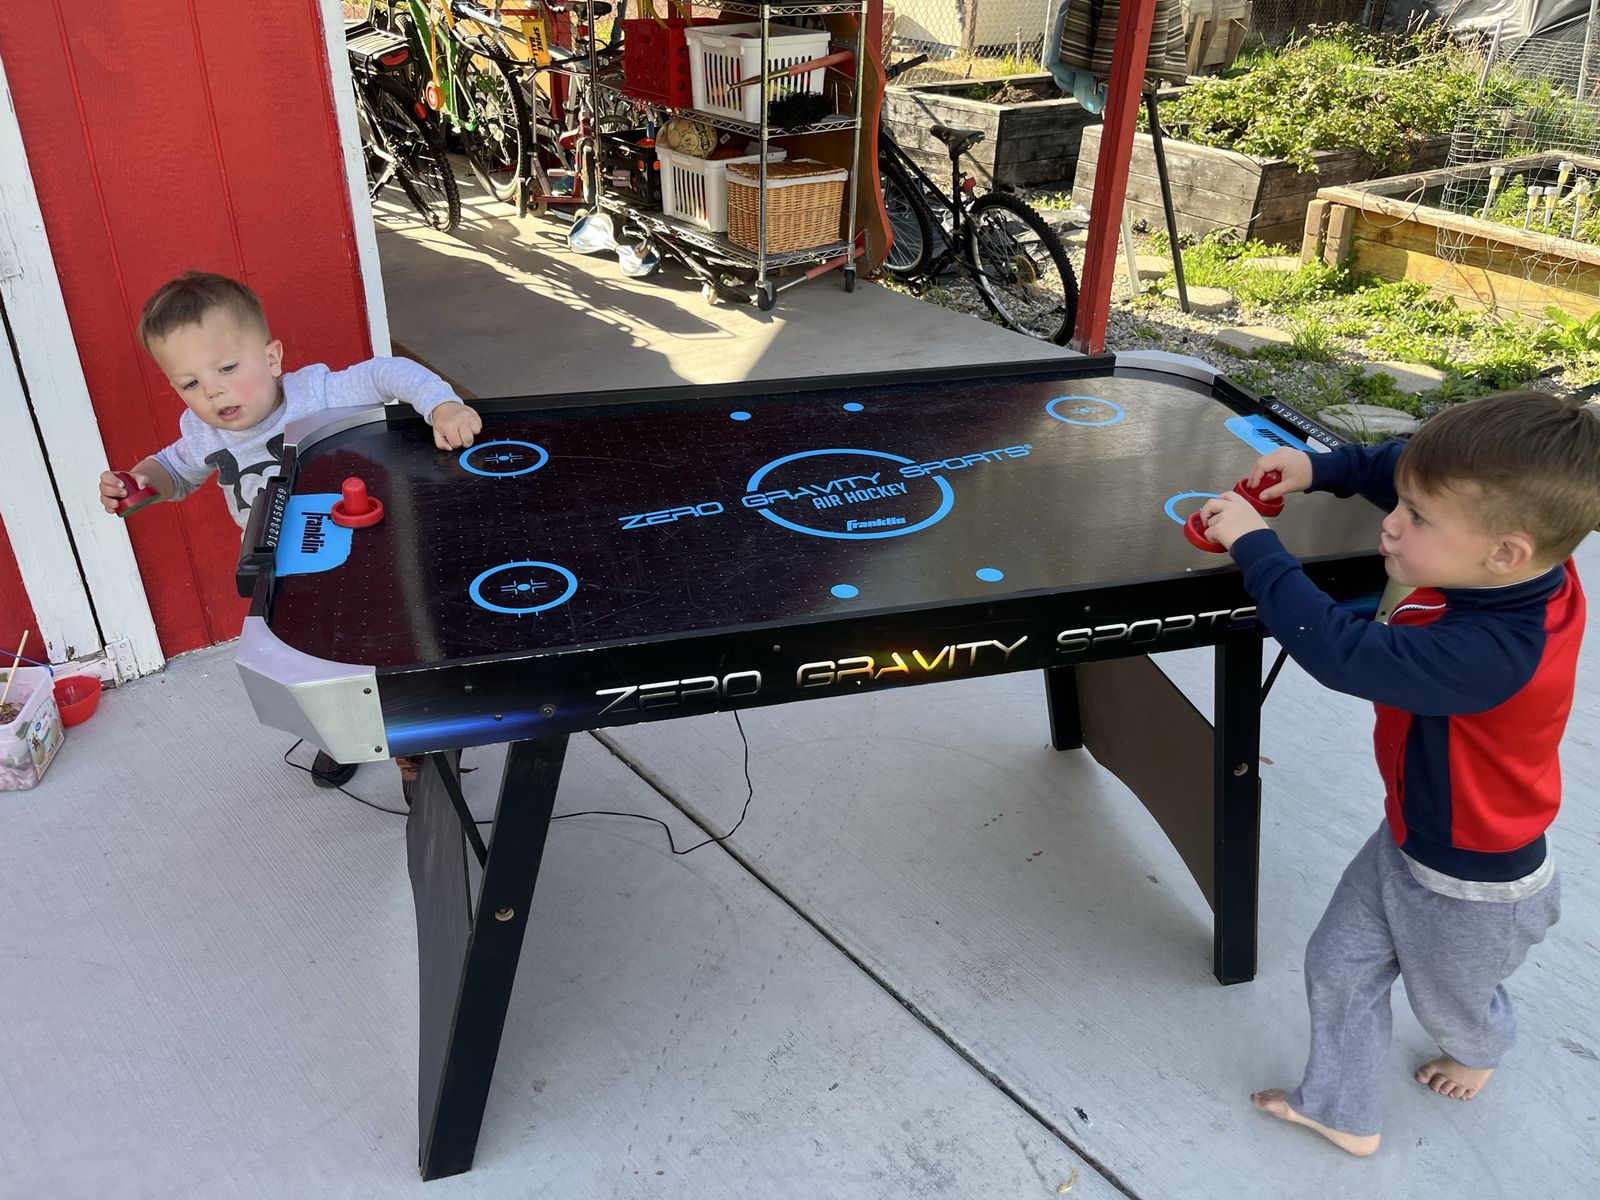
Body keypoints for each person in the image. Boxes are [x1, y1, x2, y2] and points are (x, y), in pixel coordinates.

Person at [1196, 391, 1600, 1157]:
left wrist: (1258, 547)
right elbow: (1412, 471)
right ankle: (1344, 1109)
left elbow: (1342, 652)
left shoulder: (1495, 655)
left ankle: (1480, 1049)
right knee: (1337, 966)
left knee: (1450, 1006)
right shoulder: (1521, 563)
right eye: (1403, 506)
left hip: (1471, 884)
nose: (1393, 521)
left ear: (1505, 552)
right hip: (1411, 837)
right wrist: (1322, 468)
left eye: (1416, 520)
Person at [99, 270, 482, 790]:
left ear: (272, 358)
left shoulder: (315, 393)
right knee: (311, 661)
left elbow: (386, 373)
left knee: (385, 651)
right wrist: (138, 482)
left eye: (228, 368)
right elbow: (175, 470)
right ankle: (337, 733)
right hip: (283, 571)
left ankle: (414, 751)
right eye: (190, 384)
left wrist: (442, 404)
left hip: (362, 558)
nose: (213, 391)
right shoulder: (203, 430)